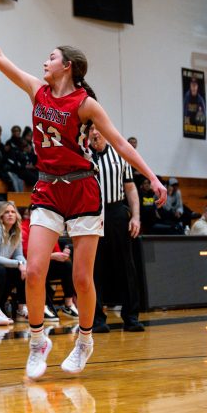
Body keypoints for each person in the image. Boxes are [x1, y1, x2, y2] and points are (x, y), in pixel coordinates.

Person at [0, 0, 166, 380]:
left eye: (50, 57)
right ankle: (37, 342)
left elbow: (120, 144)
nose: (43, 62)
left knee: (82, 278)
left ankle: (84, 341)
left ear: (67, 66)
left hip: (82, 191)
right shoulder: (36, 90)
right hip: (47, 189)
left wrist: (152, 177)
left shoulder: (86, 104)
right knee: (34, 271)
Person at [88, 124, 144, 333]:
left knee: (126, 267)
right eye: (91, 130)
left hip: (117, 212)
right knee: (94, 269)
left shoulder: (120, 155)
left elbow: (130, 187)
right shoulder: (83, 155)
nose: (94, 133)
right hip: (91, 214)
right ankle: (96, 319)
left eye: (97, 129)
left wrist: (136, 217)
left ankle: (131, 317)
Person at [21, 205, 77, 321]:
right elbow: (27, 254)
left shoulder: (48, 228)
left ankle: (68, 304)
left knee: (66, 265)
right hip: (30, 265)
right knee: (40, 268)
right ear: (31, 213)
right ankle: (42, 307)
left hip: (46, 262)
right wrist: (52, 256)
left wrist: (62, 256)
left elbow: (55, 249)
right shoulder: (24, 227)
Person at [0, 202, 28, 321]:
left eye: (13, 212)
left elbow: (19, 255)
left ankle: (21, 308)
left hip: (1, 263)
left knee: (23, 272)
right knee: (1, 270)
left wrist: (24, 265)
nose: (10, 214)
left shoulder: (17, 230)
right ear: (1, 215)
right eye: (6, 212)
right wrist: (18, 264)